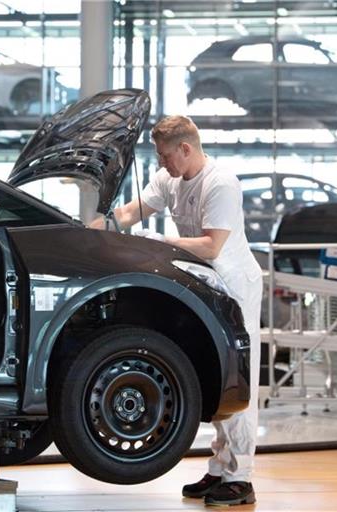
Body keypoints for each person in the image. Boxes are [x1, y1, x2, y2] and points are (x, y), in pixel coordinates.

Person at [89, 115, 262, 506]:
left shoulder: (220, 183)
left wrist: (157, 241)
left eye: (166, 155)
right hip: (204, 284)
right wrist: (94, 228)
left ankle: (241, 478)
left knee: (238, 380)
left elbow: (212, 246)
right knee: (215, 376)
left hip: (235, 285)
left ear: (186, 148)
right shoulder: (170, 178)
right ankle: (219, 469)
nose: (163, 163)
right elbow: (132, 212)